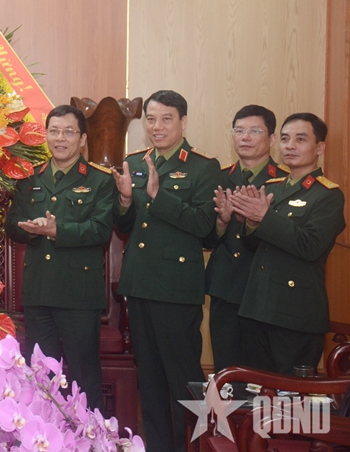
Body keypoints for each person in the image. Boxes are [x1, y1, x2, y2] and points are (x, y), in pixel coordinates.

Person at [111, 90, 220, 452]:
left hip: (176, 289)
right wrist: (125, 199)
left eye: (166, 119)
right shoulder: (135, 162)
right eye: (151, 119)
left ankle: (196, 447)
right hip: (139, 284)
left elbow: (204, 225)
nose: (157, 127)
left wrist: (161, 198)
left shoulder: (203, 167)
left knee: (184, 380)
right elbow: (124, 225)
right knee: (151, 380)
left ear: (183, 122)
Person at [4, 105, 115, 412]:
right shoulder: (30, 177)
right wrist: (30, 228)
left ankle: (91, 434)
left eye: (68, 132)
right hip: (38, 290)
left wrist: (57, 230)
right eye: (54, 131)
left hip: (78, 294)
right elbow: (11, 224)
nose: (60, 138)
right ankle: (44, 433)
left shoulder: (100, 180)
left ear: (82, 139)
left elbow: (101, 230)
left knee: (83, 375)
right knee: (41, 375)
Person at [230, 113, 345, 375]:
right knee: (256, 390)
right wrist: (250, 223)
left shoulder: (328, 195)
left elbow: (310, 246)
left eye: (300, 139)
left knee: (290, 396)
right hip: (258, 307)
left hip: (295, 314)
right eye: (284, 139)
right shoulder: (273, 187)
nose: (290, 146)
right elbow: (254, 246)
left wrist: (264, 217)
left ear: (319, 148)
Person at [205, 105, 289, 372]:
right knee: (226, 372)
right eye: (239, 131)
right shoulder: (218, 178)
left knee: (261, 374)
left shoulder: (285, 180)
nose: (245, 137)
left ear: (272, 139)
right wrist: (221, 223)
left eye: (254, 131)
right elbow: (205, 238)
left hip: (264, 291)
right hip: (225, 288)